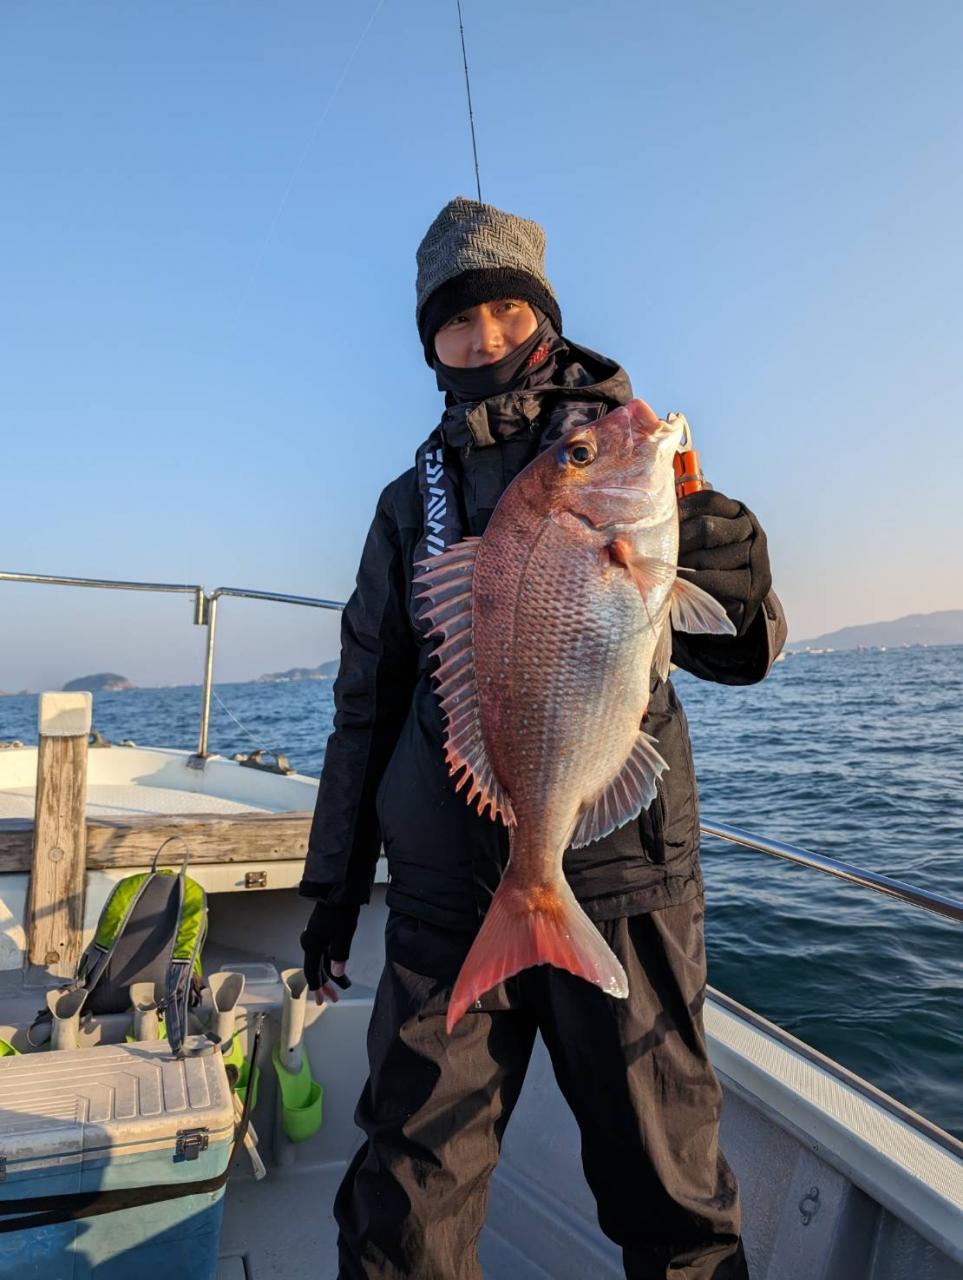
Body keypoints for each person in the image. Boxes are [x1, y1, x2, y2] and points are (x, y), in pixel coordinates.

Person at [299, 197, 787, 1280]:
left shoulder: (620, 461)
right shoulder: (407, 504)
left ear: (546, 317)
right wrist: (335, 886)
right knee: (403, 1208)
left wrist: (740, 578)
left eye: (507, 311)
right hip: (442, 898)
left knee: (672, 1198)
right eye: (455, 319)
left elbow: (741, 652)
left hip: (621, 879)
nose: (483, 338)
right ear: (428, 342)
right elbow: (367, 701)